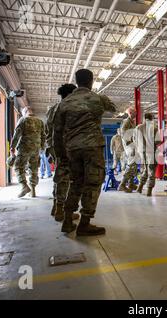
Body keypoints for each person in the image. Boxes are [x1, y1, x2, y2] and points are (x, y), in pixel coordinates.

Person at [54, 69, 117, 236]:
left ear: (76, 81)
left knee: (76, 183)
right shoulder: (97, 99)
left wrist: (61, 154)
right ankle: (84, 223)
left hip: (72, 149)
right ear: (90, 81)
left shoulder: (65, 103)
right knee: (93, 183)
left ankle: (67, 221)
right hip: (92, 147)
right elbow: (113, 108)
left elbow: (57, 131)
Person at [45, 83, 79, 221]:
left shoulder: (53, 108)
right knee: (65, 179)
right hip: (65, 147)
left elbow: (47, 130)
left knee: (58, 177)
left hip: (54, 146)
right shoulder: (68, 108)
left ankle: (55, 207)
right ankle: (61, 210)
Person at [10, 107, 45, 198]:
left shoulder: (23, 120)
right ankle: (33, 190)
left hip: (24, 148)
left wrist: (12, 147)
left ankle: (24, 186)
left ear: (24, 112)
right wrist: (42, 147)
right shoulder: (40, 122)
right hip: (36, 149)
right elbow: (44, 136)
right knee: (34, 168)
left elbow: (17, 134)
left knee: (18, 166)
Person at [134, 113, 164, 197]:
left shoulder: (137, 128)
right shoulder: (153, 128)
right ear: (151, 119)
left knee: (146, 170)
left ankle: (139, 187)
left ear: (144, 118)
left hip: (141, 152)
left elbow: (134, 139)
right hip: (151, 152)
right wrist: (163, 140)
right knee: (151, 171)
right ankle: (149, 191)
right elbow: (157, 141)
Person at [118, 107, 138, 193]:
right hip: (129, 146)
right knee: (131, 165)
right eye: (134, 113)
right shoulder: (126, 121)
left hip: (132, 145)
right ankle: (122, 185)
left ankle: (131, 183)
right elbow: (123, 132)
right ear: (130, 113)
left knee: (134, 165)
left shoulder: (132, 122)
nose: (136, 114)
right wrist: (130, 143)